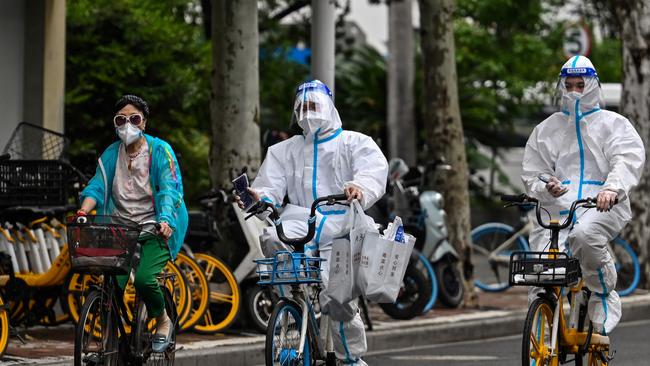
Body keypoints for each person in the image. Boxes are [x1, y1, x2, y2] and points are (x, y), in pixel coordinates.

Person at [237, 80, 388, 365]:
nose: (308, 112)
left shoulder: (355, 142)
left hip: (342, 225)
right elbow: (270, 187)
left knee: (339, 300)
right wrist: (257, 197)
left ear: (329, 108)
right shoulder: (284, 150)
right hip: (301, 219)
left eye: (314, 106)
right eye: (303, 107)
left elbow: (372, 171)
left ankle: (350, 359)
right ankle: (293, 302)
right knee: (272, 236)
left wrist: (359, 188)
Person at [522, 55, 645, 336]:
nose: (575, 90)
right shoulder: (546, 128)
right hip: (557, 207)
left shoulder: (614, 125)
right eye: (570, 85)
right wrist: (546, 185)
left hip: (600, 204)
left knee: (585, 236)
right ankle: (541, 333)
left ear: (592, 85)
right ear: (562, 86)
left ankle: (602, 293)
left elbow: (625, 159)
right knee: (542, 270)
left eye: (581, 84)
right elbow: (534, 170)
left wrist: (611, 188)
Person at [77, 94, 188, 352]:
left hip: (156, 227)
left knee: (145, 280)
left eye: (134, 118)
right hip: (119, 228)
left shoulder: (160, 150)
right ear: (115, 124)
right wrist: (84, 209)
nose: (127, 124)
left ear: (144, 123)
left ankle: (162, 319)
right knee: (110, 285)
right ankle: (109, 342)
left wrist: (166, 219)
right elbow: (97, 186)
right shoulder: (110, 154)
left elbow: (170, 189)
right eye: (121, 120)